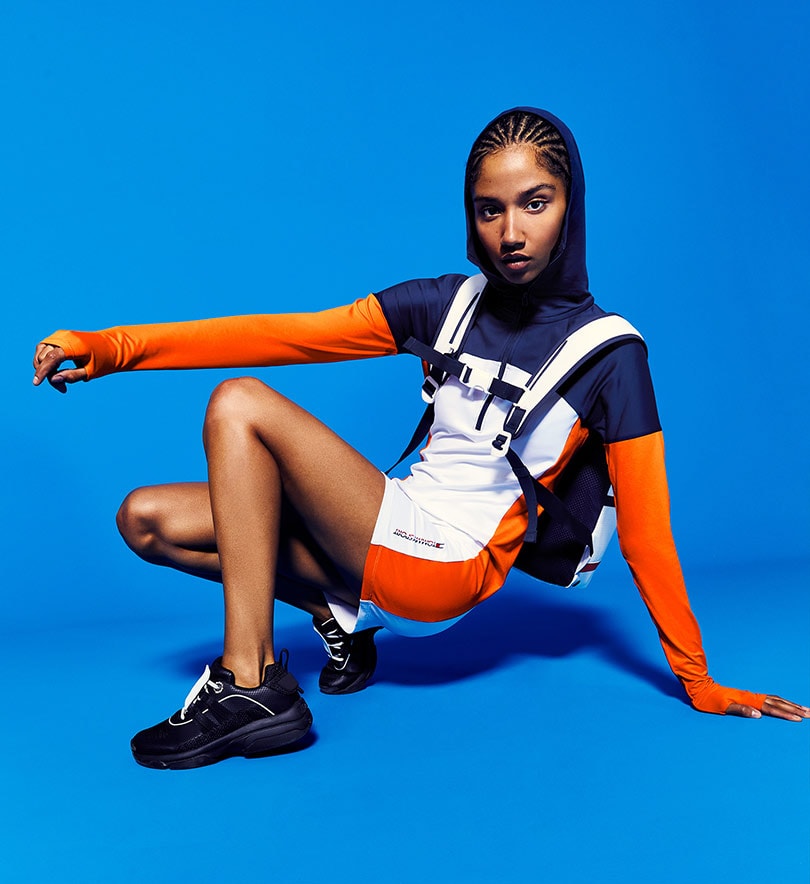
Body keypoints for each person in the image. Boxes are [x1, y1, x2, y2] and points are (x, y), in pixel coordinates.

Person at [33, 107, 808, 769]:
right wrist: (112, 348)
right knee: (146, 519)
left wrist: (699, 681)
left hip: (446, 565)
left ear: (571, 206)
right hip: (387, 524)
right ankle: (340, 620)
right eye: (489, 210)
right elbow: (285, 335)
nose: (511, 232)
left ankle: (250, 684)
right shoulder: (444, 305)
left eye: (534, 204)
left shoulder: (611, 355)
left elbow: (647, 534)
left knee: (239, 404)